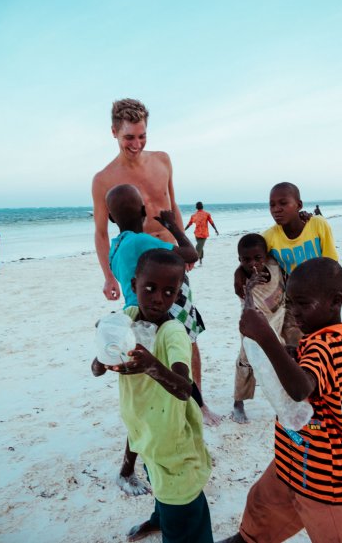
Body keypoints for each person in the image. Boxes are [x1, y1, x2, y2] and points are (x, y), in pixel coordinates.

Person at [92, 98, 220, 426]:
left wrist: (181, 244)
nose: (136, 144)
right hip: (140, 270)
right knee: (144, 336)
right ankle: (153, 408)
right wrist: (108, 276)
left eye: (141, 136)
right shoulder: (104, 178)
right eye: (128, 138)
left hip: (172, 260)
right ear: (114, 133)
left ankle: (198, 404)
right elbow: (103, 233)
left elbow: (173, 205)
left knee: (186, 334)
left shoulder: (163, 161)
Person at [219, 257, 342, 543]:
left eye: (304, 304)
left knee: (333, 535)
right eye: (291, 303)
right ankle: (250, 538)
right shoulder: (314, 338)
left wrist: (267, 336)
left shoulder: (330, 343)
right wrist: (285, 349)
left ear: (335, 302)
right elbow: (299, 365)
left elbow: (300, 389)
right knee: (261, 502)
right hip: (291, 456)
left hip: (322, 474)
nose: (295, 313)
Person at [92, 249, 213, 543]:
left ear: (178, 294)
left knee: (182, 505)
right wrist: (102, 357)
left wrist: (151, 366)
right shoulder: (128, 318)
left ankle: (175, 526)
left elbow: (184, 388)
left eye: (169, 292)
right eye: (150, 288)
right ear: (133, 285)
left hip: (173, 443)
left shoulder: (172, 332)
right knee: (159, 483)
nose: (159, 298)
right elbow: (98, 367)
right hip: (145, 431)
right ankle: (159, 519)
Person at [106, 183, 203, 496]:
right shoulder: (139, 241)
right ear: (144, 212)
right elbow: (189, 254)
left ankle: (131, 467)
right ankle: (135, 467)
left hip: (133, 319)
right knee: (158, 397)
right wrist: (172, 225)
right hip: (153, 324)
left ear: (109, 217)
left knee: (141, 402)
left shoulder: (116, 245)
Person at [232, 234, 287, 424]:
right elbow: (247, 311)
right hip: (252, 325)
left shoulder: (273, 263)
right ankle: (238, 402)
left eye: (257, 258)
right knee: (246, 361)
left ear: (266, 256)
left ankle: (286, 398)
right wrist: (248, 288)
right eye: (246, 260)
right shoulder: (242, 283)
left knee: (283, 358)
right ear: (239, 260)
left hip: (279, 319)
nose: (252, 263)